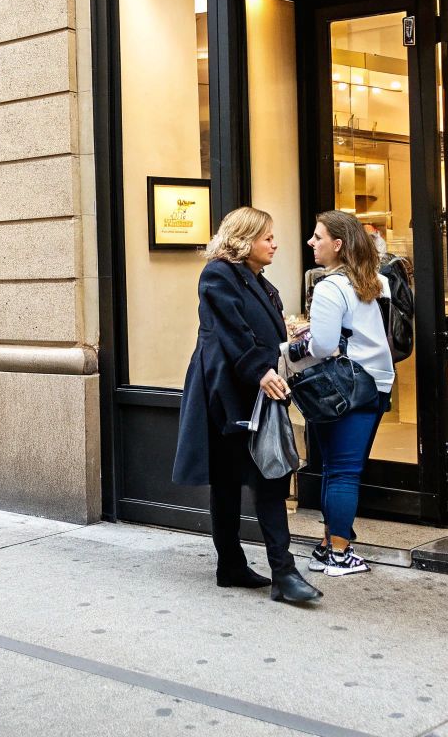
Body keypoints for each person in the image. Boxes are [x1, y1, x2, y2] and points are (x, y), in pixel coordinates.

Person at [171, 207, 319, 604]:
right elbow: (232, 332)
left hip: (257, 391)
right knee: (227, 482)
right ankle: (235, 565)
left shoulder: (260, 282)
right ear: (244, 238)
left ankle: (280, 572)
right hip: (225, 393)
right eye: (267, 237)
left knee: (269, 477)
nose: (275, 243)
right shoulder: (218, 274)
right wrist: (261, 371)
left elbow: (261, 333)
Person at [294, 210, 394, 578]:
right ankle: (327, 545)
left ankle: (338, 550)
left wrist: (293, 343)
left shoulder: (329, 287)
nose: (311, 242)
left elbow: (320, 346)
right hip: (378, 382)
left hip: (344, 386)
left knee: (339, 471)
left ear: (337, 245)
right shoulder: (379, 282)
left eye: (317, 237)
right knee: (345, 468)